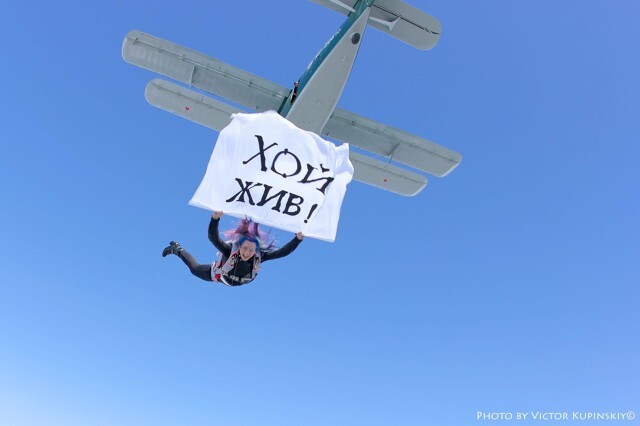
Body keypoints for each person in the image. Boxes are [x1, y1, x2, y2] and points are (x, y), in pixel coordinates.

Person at [162, 211, 304, 286]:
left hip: (240, 281)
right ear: (239, 246)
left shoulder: (260, 256)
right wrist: (215, 219)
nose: (247, 253)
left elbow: (283, 252)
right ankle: (177, 249)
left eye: (251, 250)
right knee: (194, 269)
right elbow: (213, 238)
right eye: (245, 248)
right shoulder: (230, 250)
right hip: (220, 275)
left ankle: (177, 250)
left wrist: (297, 239)